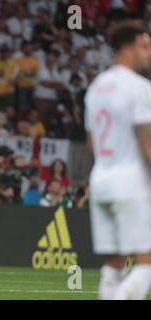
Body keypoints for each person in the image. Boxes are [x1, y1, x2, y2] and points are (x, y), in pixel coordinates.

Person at [84, 20, 151, 300]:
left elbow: (91, 144)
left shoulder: (95, 88)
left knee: (113, 264)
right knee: (146, 265)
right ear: (127, 48)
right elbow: (147, 144)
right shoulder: (140, 87)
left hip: (101, 181)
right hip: (131, 183)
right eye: (144, 47)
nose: (149, 53)